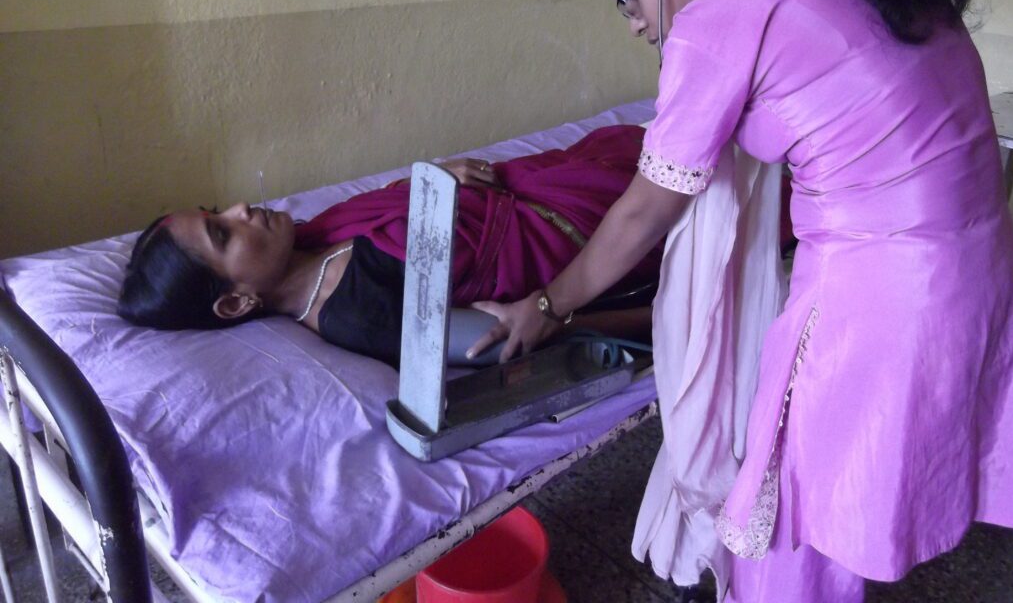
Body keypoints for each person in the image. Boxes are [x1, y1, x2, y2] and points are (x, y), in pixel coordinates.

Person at [468, 0, 1013, 602]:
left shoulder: (726, 17)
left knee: (792, 522)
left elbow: (643, 208)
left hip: (880, 299)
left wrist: (546, 305)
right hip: (985, 266)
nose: (633, 24)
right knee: (873, 484)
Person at [117, 124, 660, 367]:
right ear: (236, 301)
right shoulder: (359, 313)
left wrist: (433, 180)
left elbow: (394, 210)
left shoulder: (313, 237)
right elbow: (519, 334)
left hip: (555, 181)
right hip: (590, 236)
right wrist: (653, 318)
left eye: (217, 211)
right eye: (222, 233)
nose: (239, 210)